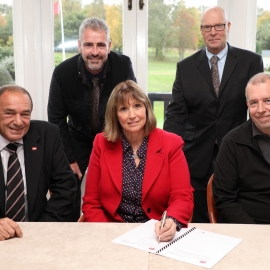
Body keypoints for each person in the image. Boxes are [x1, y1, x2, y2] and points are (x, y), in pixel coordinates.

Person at [163, 6, 264, 223]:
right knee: (198, 221)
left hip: (237, 153)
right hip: (195, 156)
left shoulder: (251, 62)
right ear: (201, 31)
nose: (213, 32)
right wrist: (167, 152)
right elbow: (176, 113)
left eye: (218, 26)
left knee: (232, 214)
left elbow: (258, 109)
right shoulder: (185, 67)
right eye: (207, 27)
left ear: (228, 27)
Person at [48, 17, 136, 221]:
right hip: (77, 135)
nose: (94, 52)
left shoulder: (123, 65)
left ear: (109, 46)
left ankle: (116, 227)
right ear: (79, 46)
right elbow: (56, 118)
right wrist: (70, 159)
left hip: (112, 134)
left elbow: (131, 104)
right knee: (68, 183)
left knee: (116, 183)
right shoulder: (62, 72)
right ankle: (68, 231)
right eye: (88, 45)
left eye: (100, 45)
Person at [82, 80, 193, 242]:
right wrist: (107, 235)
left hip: (156, 235)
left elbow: (182, 197)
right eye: (124, 109)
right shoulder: (101, 143)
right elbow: (91, 202)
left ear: (147, 108)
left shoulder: (171, 144)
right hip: (112, 233)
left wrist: (172, 221)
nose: (132, 115)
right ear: (115, 115)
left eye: (137, 106)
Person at [0, 85, 76, 240]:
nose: (18, 121)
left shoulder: (47, 134)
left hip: (37, 233)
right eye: (9, 113)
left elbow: (66, 187)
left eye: (25, 114)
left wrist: (41, 229)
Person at [213, 73, 270, 224]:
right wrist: (255, 233)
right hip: (248, 229)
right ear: (247, 105)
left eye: (267, 101)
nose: (261, 109)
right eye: (253, 103)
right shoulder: (232, 142)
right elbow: (224, 200)